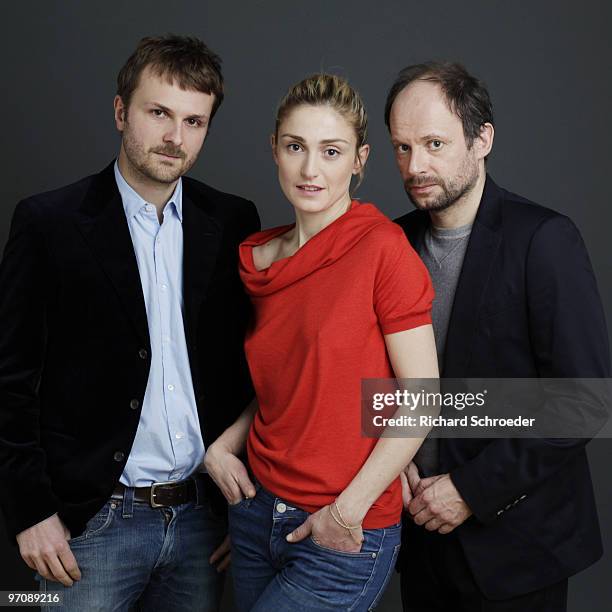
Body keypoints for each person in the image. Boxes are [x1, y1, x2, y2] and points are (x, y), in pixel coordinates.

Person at [0, 35, 259, 611]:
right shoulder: (49, 223)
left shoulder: (233, 220)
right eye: (159, 113)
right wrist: (30, 512)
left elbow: (251, 366)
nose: (175, 137)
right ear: (121, 112)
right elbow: (9, 381)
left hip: (200, 522)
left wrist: (234, 507)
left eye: (194, 121)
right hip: (89, 524)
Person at [203, 73, 439, 611]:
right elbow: (288, 383)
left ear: (359, 160)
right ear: (275, 151)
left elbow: (423, 397)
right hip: (256, 511)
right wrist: (222, 445)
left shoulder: (382, 249)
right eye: (296, 147)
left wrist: (346, 511)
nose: (311, 170)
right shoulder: (256, 258)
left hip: (340, 528)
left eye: (331, 152)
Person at [385, 61, 611, 612]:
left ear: (482, 139)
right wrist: (391, 455)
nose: (416, 166)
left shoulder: (544, 239)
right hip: (415, 534)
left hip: (517, 546)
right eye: (402, 147)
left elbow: (583, 401)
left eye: (434, 144)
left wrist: (469, 490)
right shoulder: (390, 243)